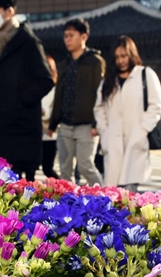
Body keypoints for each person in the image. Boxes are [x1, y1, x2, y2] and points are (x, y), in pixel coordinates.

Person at [0, 0, 53, 182]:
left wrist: (19, 100)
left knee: (17, 196)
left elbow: (45, 80)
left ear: (9, 12)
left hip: (20, 132)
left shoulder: (29, 43)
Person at [93, 36, 161, 192]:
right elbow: (99, 108)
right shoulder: (108, 81)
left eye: (124, 56)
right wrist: (104, 131)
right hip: (112, 141)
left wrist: (143, 129)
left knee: (130, 194)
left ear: (132, 55)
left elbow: (156, 105)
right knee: (111, 195)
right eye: (117, 57)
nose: (120, 61)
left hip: (135, 139)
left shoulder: (145, 75)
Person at [48, 18, 105, 186]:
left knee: (86, 165)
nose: (67, 39)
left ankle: (106, 199)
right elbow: (59, 95)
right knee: (65, 169)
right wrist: (53, 124)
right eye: (65, 36)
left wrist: (97, 123)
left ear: (83, 37)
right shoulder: (64, 64)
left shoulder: (95, 61)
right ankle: (69, 204)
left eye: (71, 35)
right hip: (65, 124)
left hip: (86, 125)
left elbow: (100, 94)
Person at [40, 56, 60, 179]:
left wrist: (43, 112)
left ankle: (62, 190)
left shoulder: (56, 90)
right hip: (36, 134)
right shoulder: (37, 87)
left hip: (51, 134)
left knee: (47, 168)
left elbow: (56, 110)